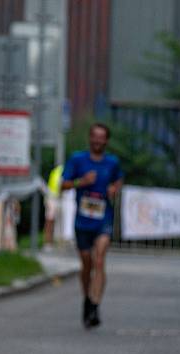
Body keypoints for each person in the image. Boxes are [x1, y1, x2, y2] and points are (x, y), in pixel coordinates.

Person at [62, 123, 124, 328]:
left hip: (103, 220)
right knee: (86, 264)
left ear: (106, 140)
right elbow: (63, 184)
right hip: (83, 221)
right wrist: (82, 182)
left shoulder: (112, 162)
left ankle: (95, 305)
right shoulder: (77, 159)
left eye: (102, 137)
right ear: (90, 138)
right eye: (94, 137)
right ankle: (87, 299)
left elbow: (119, 179)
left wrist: (114, 188)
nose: (98, 141)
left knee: (99, 260)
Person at [43, 164, 64, 248]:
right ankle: (48, 242)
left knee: (51, 221)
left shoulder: (56, 171)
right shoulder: (62, 170)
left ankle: (50, 242)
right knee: (50, 221)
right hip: (53, 198)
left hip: (55, 198)